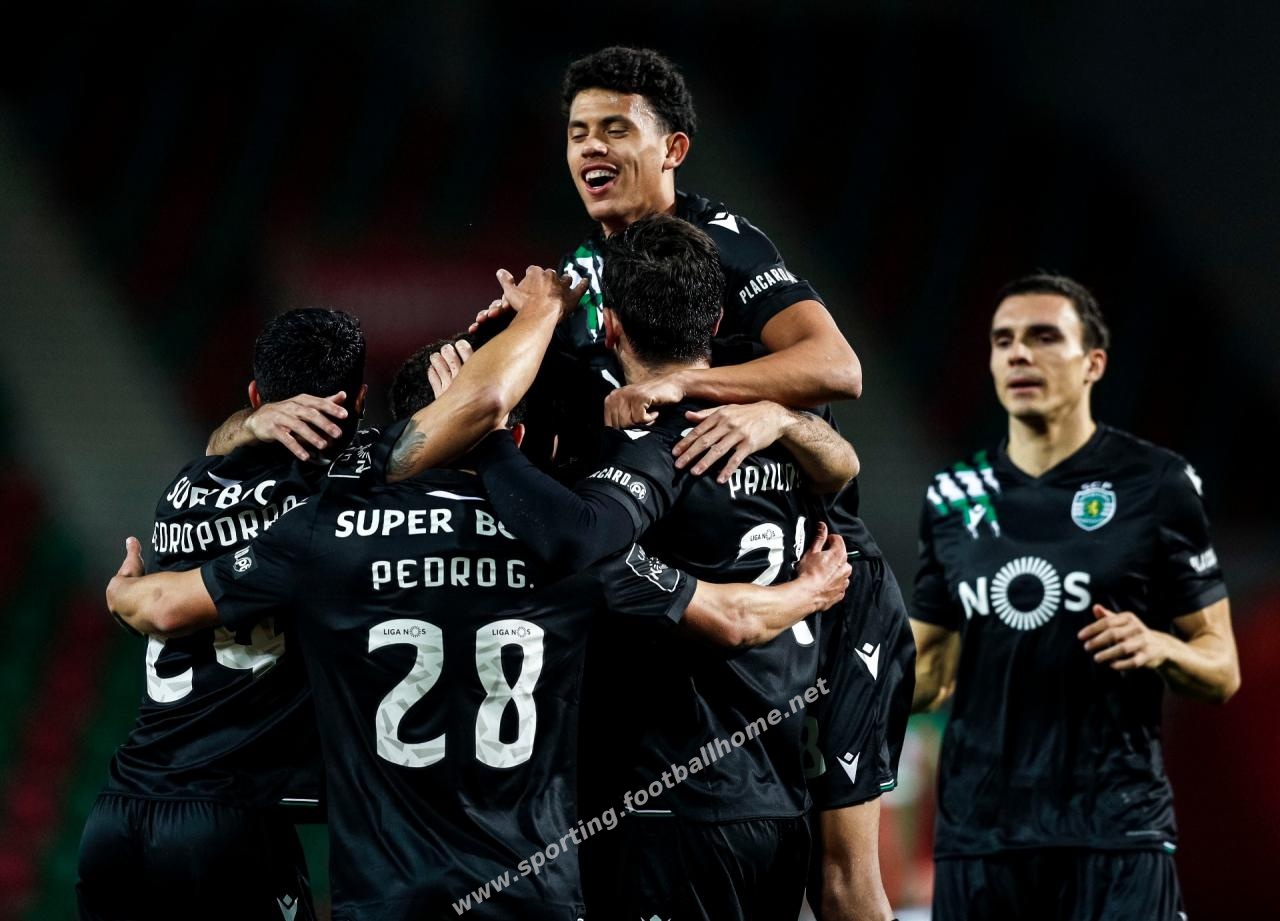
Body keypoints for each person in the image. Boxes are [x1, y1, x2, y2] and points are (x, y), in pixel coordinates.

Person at [104, 265, 852, 920]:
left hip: (380, 890)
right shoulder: (575, 550)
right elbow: (730, 616)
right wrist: (811, 591)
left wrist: (126, 591)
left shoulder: (329, 529)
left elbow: (166, 603)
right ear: (513, 436)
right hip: (531, 887)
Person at [554, 47, 910, 917]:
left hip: (831, 582)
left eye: (615, 128)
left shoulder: (722, 243)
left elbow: (840, 367)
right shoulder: (584, 269)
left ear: (672, 150)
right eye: (578, 131)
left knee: (843, 875)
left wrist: (710, 388)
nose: (591, 146)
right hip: (727, 581)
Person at [442, 215, 865, 920]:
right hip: (774, 802)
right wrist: (787, 419)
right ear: (719, 321)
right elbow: (843, 465)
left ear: (609, 327)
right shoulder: (768, 421)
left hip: (672, 807)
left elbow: (584, 537)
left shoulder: (656, 445)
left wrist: (485, 434)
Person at [910, 273, 1241, 920]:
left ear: (1093, 363)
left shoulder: (1156, 483)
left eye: (1043, 337)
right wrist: (846, 670)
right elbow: (928, 673)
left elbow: (1222, 667)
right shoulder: (953, 493)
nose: (1019, 354)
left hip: (1115, 832)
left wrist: (1160, 646)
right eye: (1003, 340)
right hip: (980, 838)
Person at [77, 307, 369, 921]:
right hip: (224, 818)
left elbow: (220, 445)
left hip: (117, 814)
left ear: (256, 394)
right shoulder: (333, 502)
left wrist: (244, 425)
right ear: (360, 400)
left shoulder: (183, 489)